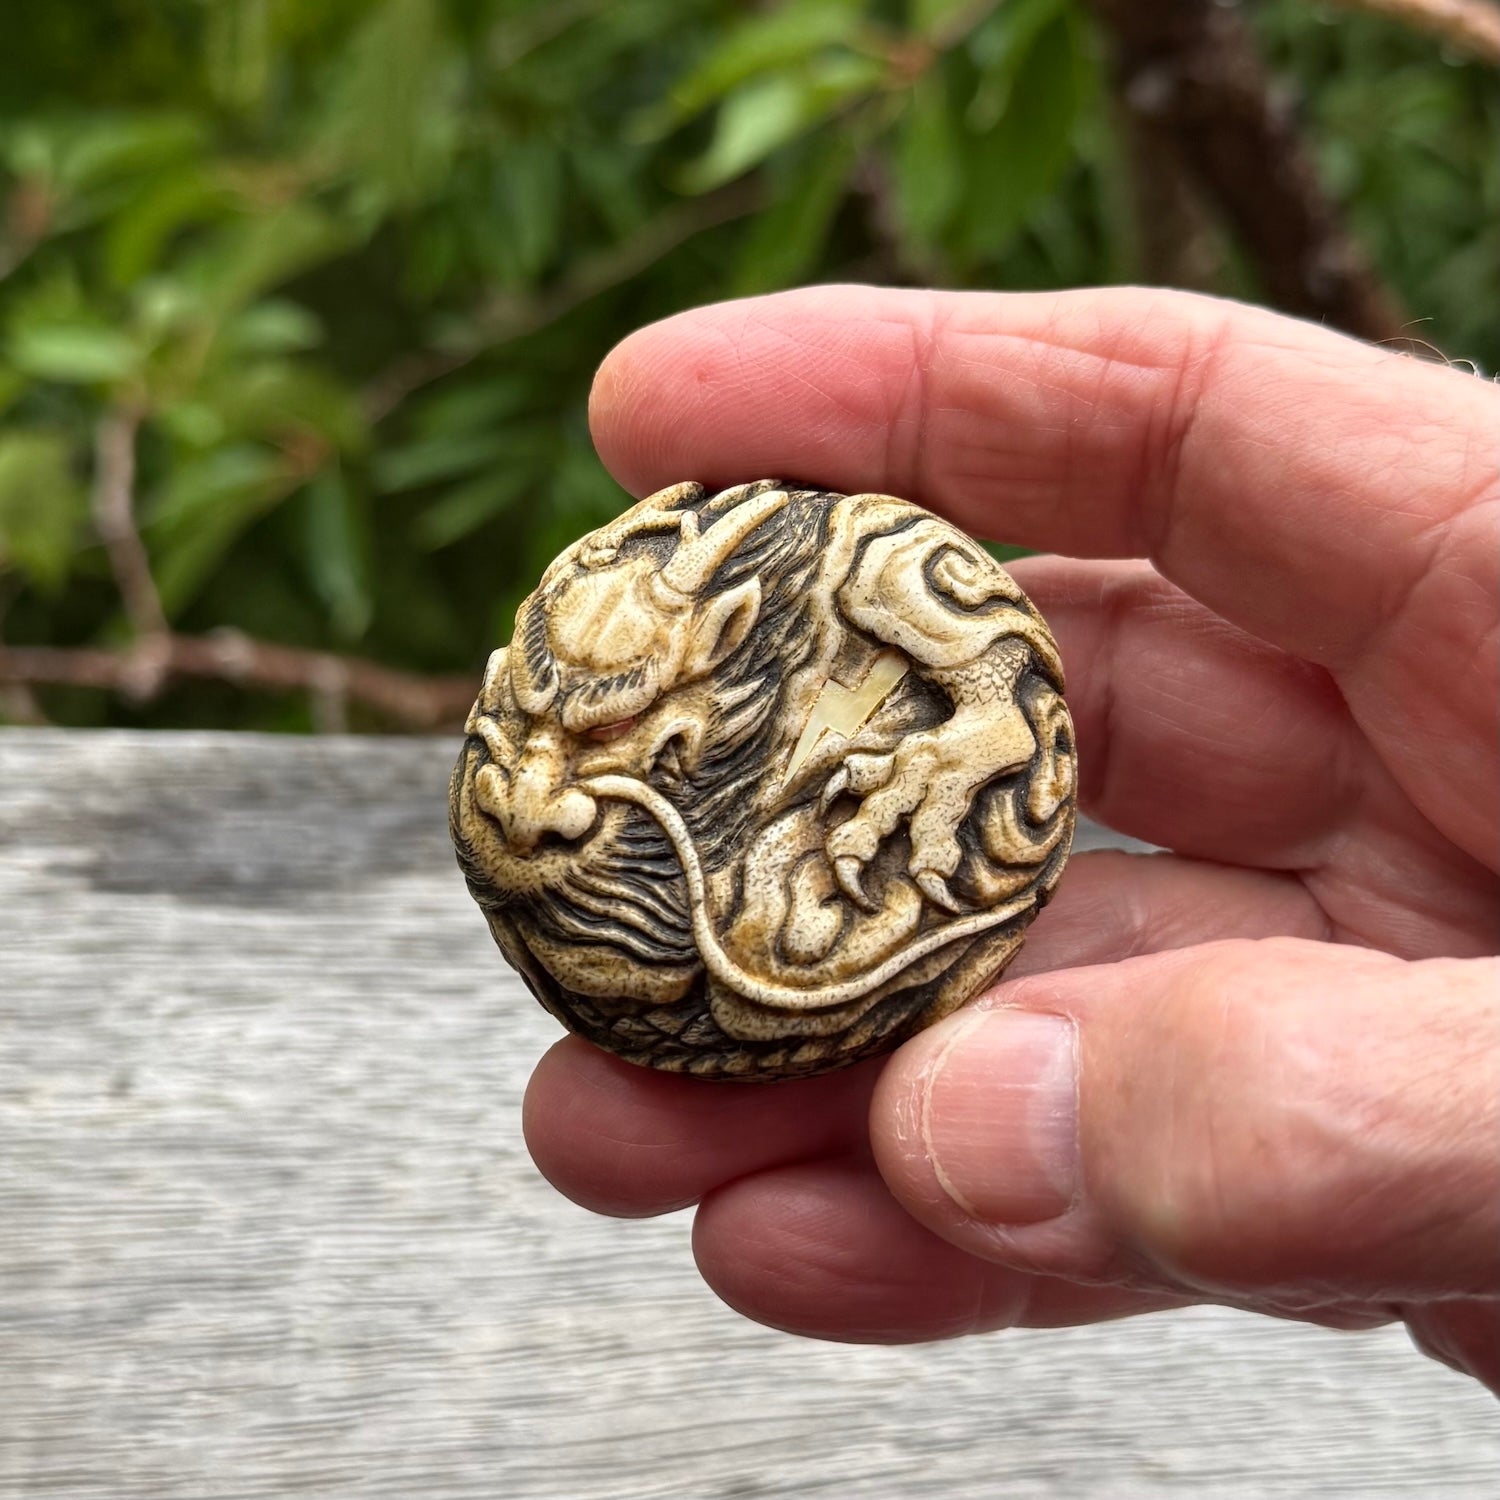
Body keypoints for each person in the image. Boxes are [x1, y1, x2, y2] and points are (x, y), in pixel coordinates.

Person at [520, 285, 1499, 1393]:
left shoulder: (854, 576)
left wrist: (976, 729)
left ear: (727, 635)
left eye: (610, 725)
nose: (571, 753)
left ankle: (971, 738)